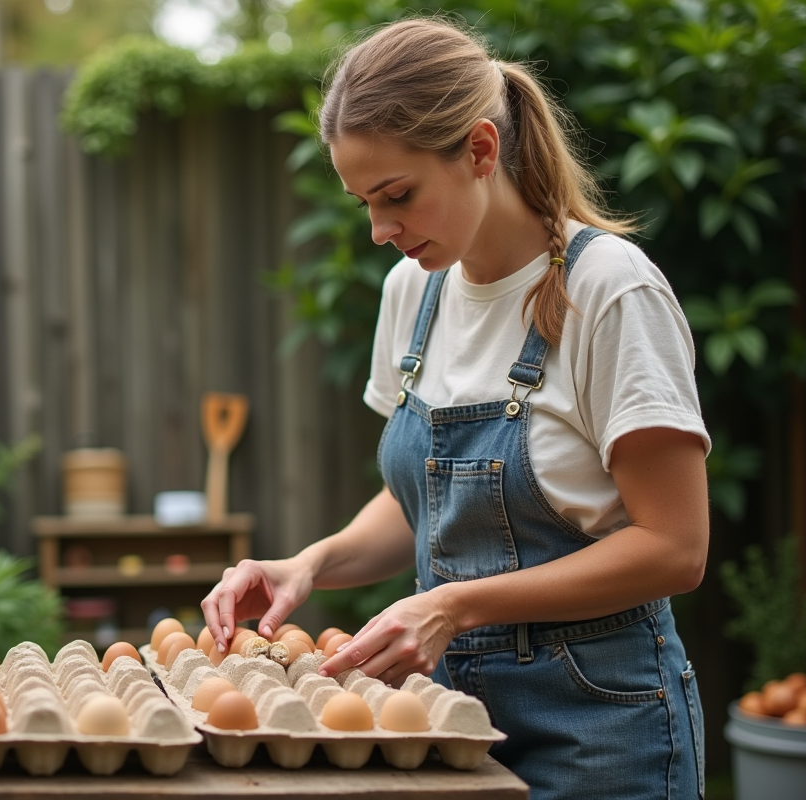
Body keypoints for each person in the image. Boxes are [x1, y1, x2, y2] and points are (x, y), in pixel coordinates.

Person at [201, 16, 710, 800]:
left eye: (397, 195)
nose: (379, 230)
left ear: (480, 150)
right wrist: (309, 565)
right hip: (449, 722)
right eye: (364, 203)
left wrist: (453, 605)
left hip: (603, 727)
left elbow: (675, 548)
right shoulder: (414, 291)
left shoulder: (610, 291)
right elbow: (424, 504)